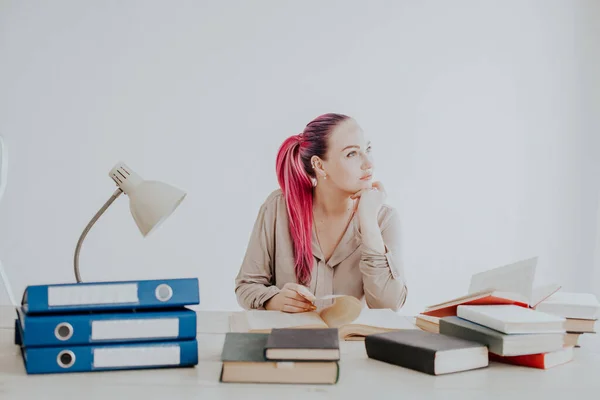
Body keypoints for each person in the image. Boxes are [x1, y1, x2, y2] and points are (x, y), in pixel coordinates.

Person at [234, 113, 407, 313]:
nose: (369, 163)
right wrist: (273, 299)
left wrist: (368, 223)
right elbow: (246, 285)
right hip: (289, 341)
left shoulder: (384, 219)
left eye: (367, 149)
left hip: (350, 343)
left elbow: (389, 305)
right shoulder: (278, 208)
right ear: (319, 165)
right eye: (352, 153)